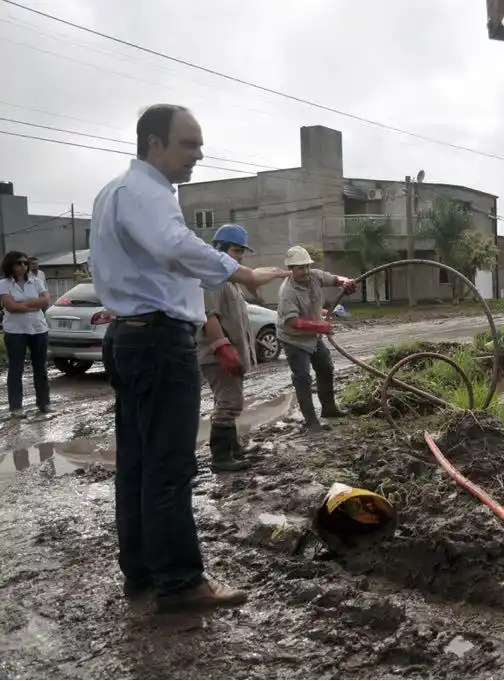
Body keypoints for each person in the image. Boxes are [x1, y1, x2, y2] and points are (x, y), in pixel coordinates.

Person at [91, 104, 290, 613]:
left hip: (131, 335)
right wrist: (243, 272)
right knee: (169, 466)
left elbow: (168, 258)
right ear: (154, 144)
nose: (198, 154)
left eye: (199, 144)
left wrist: (223, 271)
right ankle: (179, 582)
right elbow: (176, 246)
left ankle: (143, 575)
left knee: (138, 464)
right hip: (158, 341)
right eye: (188, 143)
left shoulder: (115, 191)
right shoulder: (147, 192)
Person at [199, 223, 261, 473]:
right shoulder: (212, 278)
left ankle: (233, 448)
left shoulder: (229, 279)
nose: (240, 257)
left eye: (241, 252)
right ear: (220, 249)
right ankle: (221, 458)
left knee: (229, 400)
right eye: (236, 251)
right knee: (229, 403)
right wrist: (222, 348)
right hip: (218, 356)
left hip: (229, 353)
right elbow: (208, 316)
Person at [276, 245, 356, 432]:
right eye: (300, 267)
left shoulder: (315, 276)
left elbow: (334, 279)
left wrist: (345, 282)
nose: (305, 271)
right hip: (294, 339)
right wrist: (321, 326)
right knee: (303, 377)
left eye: (307, 266)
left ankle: (329, 409)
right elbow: (293, 322)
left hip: (313, 335)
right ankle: (311, 421)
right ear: (291, 269)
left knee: (325, 367)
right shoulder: (287, 292)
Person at [0, 250, 52, 416]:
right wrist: (34, 304)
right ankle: (16, 407)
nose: (23, 266)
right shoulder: (4, 284)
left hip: (38, 329)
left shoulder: (36, 281)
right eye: (18, 263)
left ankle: (44, 403)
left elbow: (45, 301)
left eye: (25, 263)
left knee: (40, 368)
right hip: (15, 331)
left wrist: (21, 304)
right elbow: (10, 306)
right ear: (10, 265)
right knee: (16, 368)